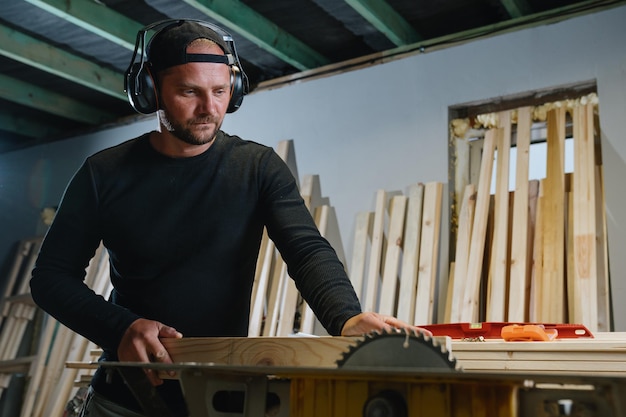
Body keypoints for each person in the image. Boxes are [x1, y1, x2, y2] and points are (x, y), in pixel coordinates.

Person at [30, 20, 425, 417]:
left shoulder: (258, 167)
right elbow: (50, 277)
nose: (210, 109)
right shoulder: (103, 173)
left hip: (222, 397)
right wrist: (120, 328)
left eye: (220, 91)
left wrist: (347, 317)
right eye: (189, 91)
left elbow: (305, 250)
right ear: (150, 88)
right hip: (125, 397)